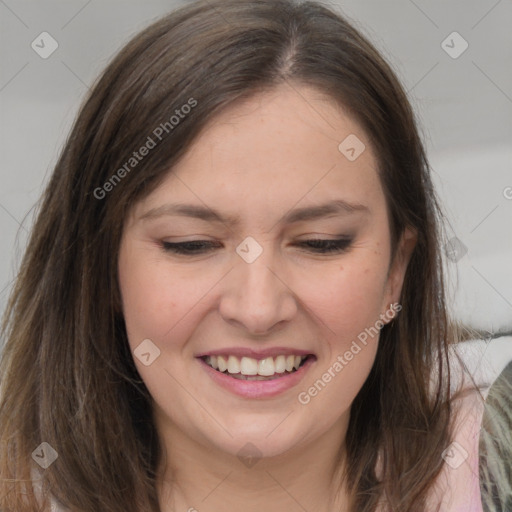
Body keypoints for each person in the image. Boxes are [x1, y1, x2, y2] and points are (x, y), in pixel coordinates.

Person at [0, 0, 507, 510]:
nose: (258, 309)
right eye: (190, 245)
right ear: (103, 271)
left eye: (321, 243)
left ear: (397, 270)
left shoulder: (494, 454)